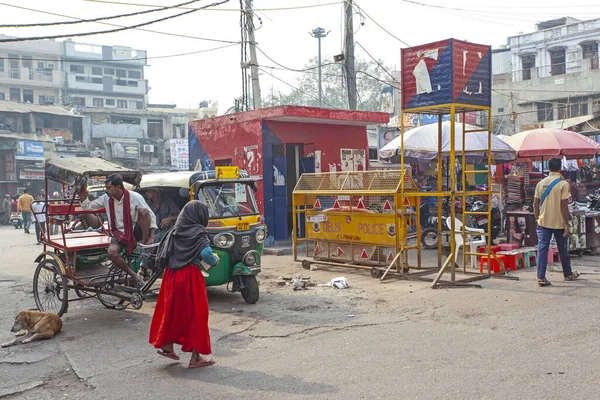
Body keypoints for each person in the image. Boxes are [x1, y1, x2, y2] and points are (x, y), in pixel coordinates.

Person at [149, 201, 218, 369]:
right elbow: (207, 254)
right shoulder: (198, 232)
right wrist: (214, 260)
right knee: (196, 315)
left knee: (173, 312)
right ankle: (196, 358)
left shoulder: (174, 230)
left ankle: (167, 346)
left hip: (171, 276)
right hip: (189, 276)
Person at [79, 174, 157, 288]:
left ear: (118, 187)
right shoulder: (106, 198)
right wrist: (82, 191)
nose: (107, 190)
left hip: (135, 230)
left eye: (109, 187)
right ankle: (134, 275)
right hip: (118, 233)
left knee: (143, 211)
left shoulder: (134, 197)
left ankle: (144, 245)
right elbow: (87, 206)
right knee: (111, 252)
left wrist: (150, 237)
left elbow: (151, 215)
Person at [533, 157, 580, 287]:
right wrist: (566, 224)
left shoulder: (540, 183)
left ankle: (541, 277)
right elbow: (564, 206)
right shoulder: (563, 184)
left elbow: (535, 204)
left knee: (542, 249)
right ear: (560, 168)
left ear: (549, 168)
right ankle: (567, 274)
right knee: (563, 249)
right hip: (559, 222)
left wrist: (537, 218)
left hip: (543, 222)